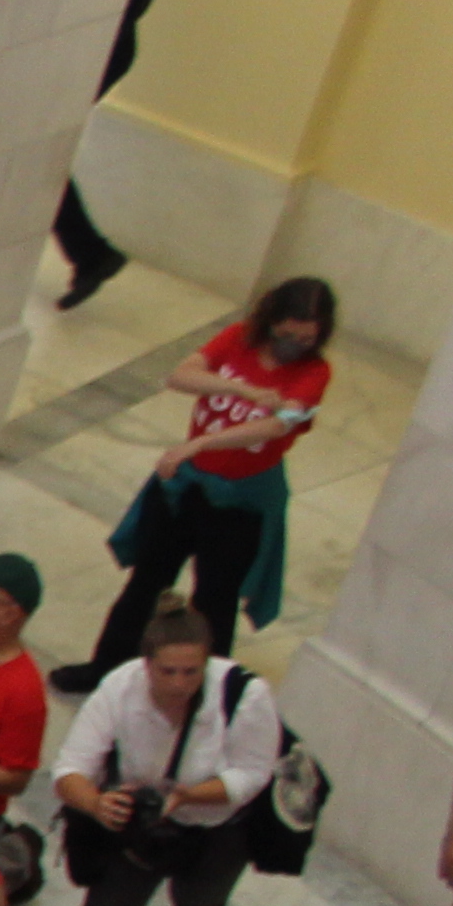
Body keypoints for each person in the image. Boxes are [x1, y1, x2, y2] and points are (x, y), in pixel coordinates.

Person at [38, 611, 291, 906]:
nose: (178, 683)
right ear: (146, 663)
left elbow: (252, 774)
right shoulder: (120, 688)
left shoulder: (246, 695)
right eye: (167, 671)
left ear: (208, 663)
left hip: (219, 829)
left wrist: (188, 796)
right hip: (144, 825)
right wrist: (98, 803)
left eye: (191, 672)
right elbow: (70, 768)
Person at [86, 275, 339, 670]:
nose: (294, 346)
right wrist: (246, 392)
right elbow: (181, 375)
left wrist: (200, 444)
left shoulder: (314, 373)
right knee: (147, 582)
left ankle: (205, 692)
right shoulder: (238, 339)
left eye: (306, 339)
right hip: (187, 487)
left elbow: (277, 426)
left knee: (214, 602)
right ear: (272, 320)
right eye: (288, 334)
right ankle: (107, 666)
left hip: (240, 504)